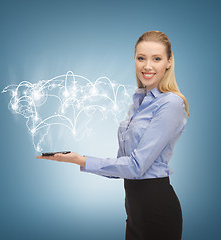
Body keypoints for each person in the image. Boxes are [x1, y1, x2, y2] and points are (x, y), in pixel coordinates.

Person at [37, 30, 189, 240]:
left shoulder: (170, 103)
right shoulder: (138, 102)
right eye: (141, 58)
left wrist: (83, 160)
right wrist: (75, 159)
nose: (147, 66)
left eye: (156, 59)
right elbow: (122, 166)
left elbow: (136, 166)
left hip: (157, 210)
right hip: (135, 211)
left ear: (169, 62)